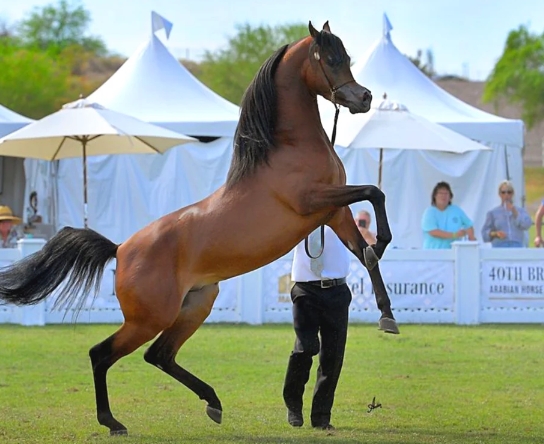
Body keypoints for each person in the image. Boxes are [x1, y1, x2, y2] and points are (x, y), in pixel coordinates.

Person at [283, 225, 352, 430]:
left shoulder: (342, 214)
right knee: (306, 347)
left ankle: (321, 417)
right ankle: (293, 405)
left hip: (337, 289)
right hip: (305, 290)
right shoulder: (301, 213)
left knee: (333, 356)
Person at [421, 181, 476, 249]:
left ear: (450, 196)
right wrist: (455, 235)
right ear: (435, 196)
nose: (443, 196)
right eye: (440, 193)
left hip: (454, 254)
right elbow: (434, 232)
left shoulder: (456, 210)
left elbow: (468, 225)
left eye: (446, 193)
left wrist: (472, 240)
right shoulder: (429, 212)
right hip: (432, 254)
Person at [481, 180, 533, 248]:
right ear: (499, 194)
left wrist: (514, 212)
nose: (506, 195)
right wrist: (495, 234)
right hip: (499, 246)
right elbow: (484, 233)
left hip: (517, 246)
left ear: (512, 194)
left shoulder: (520, 211)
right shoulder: (493, 213)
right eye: (503, 192)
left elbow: (527, 225)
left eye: (509, 192)